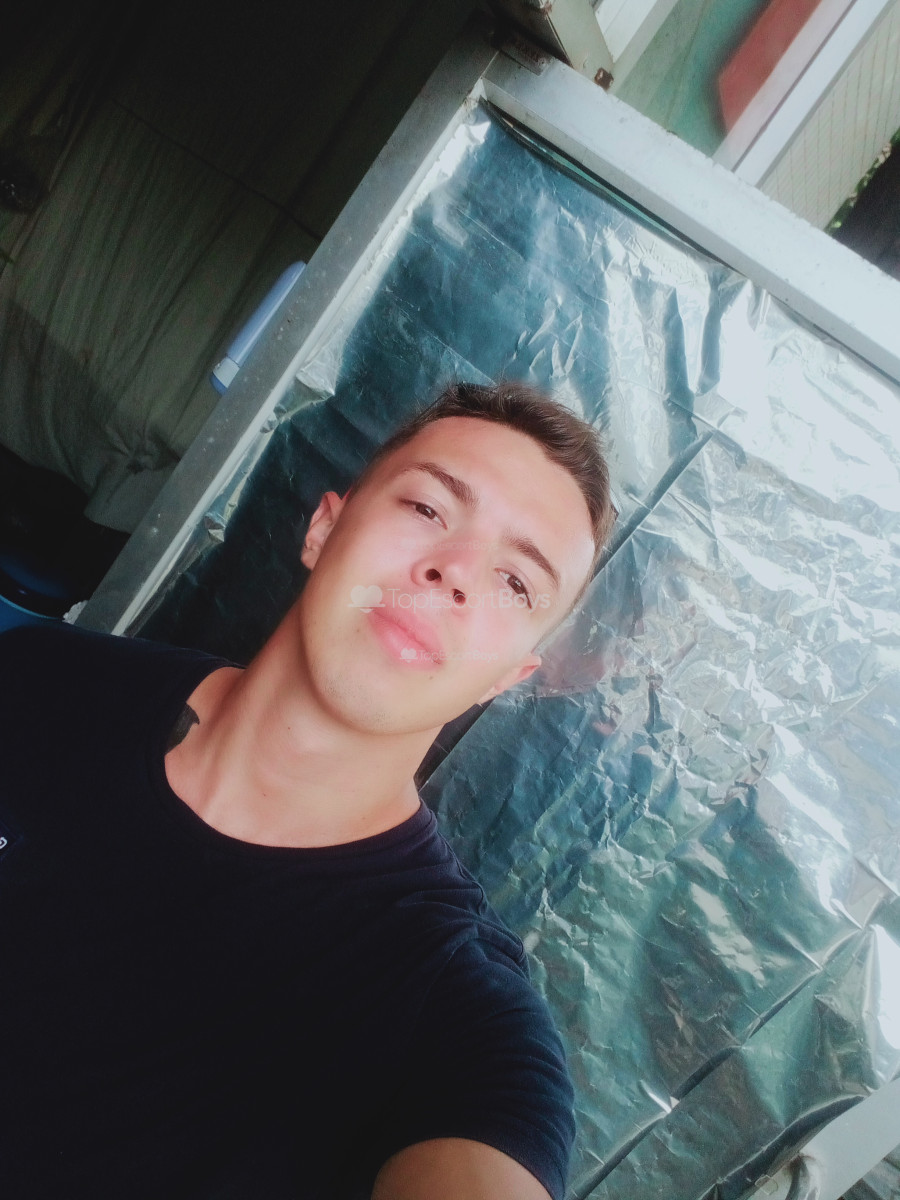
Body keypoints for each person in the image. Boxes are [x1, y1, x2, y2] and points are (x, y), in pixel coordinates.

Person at [0, 381, 613, 1199]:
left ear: (509, 676)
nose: (456, 572)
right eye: (428, 507)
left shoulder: (452, 1011)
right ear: (324, 527)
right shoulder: (38, 678)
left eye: (516, 583)